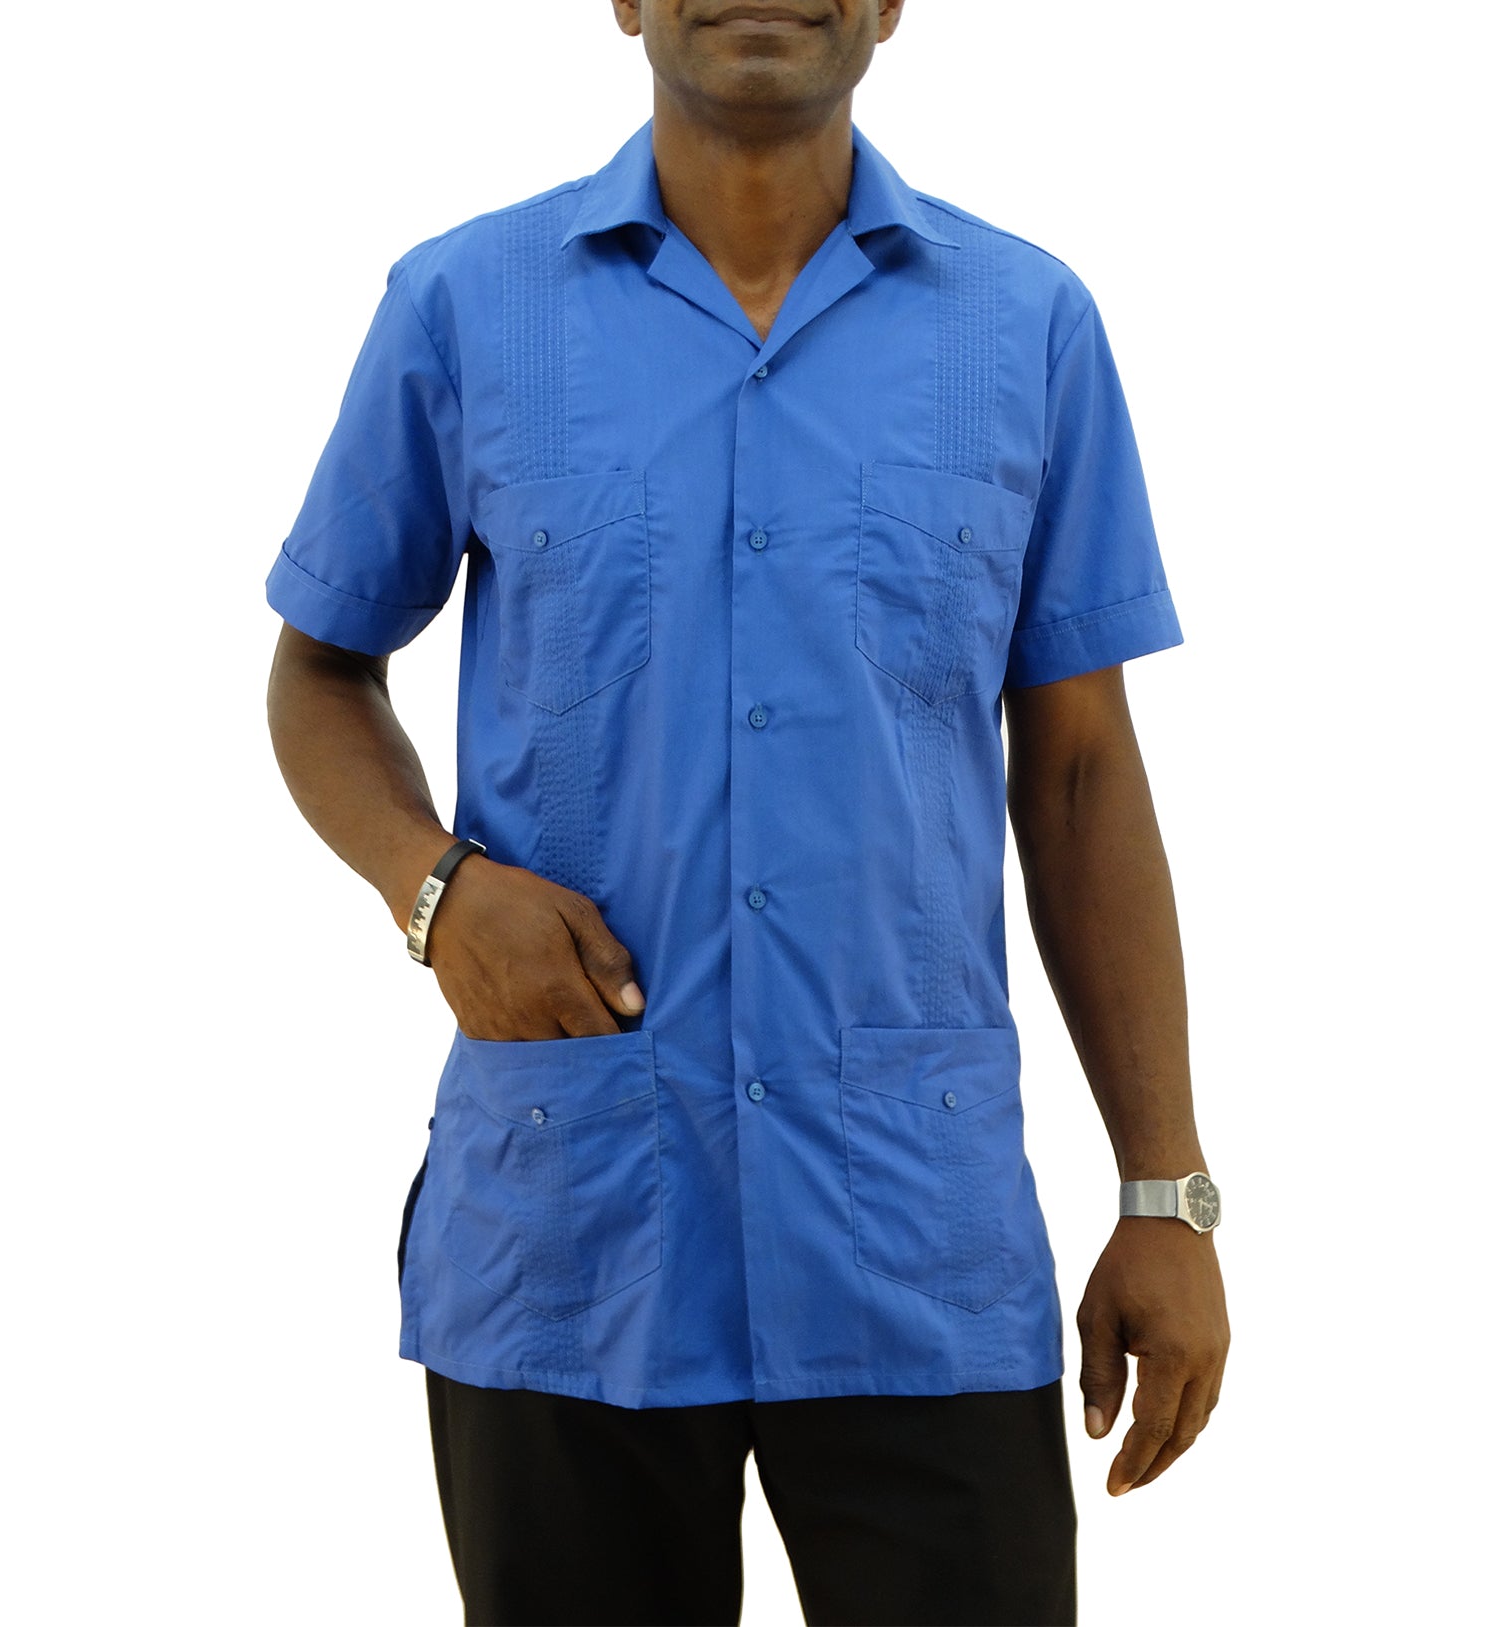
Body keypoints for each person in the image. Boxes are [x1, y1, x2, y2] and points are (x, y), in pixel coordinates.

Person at [264, 2, 1230, 1621]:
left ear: (892, 3)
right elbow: (319, 672)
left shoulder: (1027, 326)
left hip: (912, 1238)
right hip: (573, 1235)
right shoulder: (465, 307)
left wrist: (1166, 1193)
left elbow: (1077, 771)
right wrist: (431, 887)